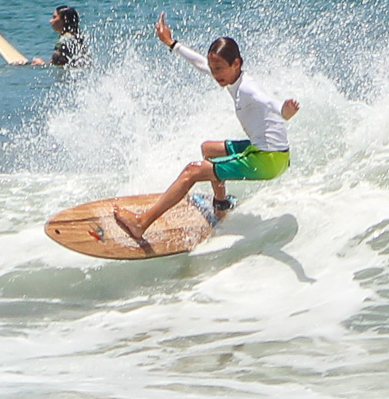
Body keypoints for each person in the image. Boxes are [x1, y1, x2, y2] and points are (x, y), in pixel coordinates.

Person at [113, 12, 299, 241]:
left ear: (236, 63)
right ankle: (221, 208)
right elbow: (202, 64)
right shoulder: (233, 77)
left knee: (193, 171)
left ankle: (140, 224)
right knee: (209, 149)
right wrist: (172, 43)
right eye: (213, 68)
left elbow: (267, 101)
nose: (215, 74)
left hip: (269, 159)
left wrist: (284, 111)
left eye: (219, 68)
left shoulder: (247, 88)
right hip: (269, 152)